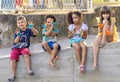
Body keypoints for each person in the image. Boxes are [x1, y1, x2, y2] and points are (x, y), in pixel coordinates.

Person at [8, 16, 38, 82]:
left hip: (24, 47)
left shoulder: (28, 30)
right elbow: (15, 42)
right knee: (12, 58)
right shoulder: (17, 31)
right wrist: (18, 35)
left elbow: (36, 33)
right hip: (16, 48)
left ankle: (29, 69)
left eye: (22, 22)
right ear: (17, 24)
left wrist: (32, 28)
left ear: (26, 23)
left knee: (26, 54)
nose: (20, 24)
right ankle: (13, 74)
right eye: (19, 23)